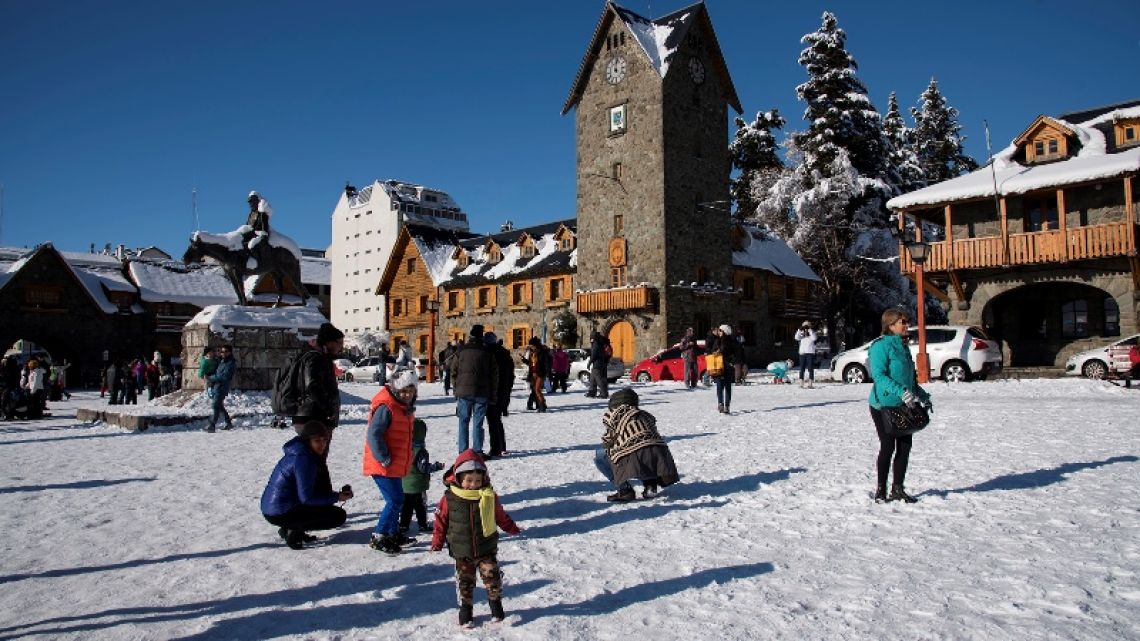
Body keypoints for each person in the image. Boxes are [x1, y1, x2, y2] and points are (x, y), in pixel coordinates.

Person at [430, 450, 521, 628]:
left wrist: (511, 528)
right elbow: (440, 521)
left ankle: (496, 607)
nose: (473, 485)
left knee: (492, 578)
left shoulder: (489, 496)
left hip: (486, 547)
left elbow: (500, 516)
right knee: (466, 582)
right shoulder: (449, 499)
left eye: (478, 481)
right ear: (458, 478)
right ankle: (466, 612)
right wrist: (437, 541)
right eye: (469, 481)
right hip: (462, 551)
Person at [867, 309, 932, 504]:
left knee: (905, 447)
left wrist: (922, 396)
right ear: (890, 324)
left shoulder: (902, 346)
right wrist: (900, 392)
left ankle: (898, 489)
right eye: (902, 322)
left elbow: (908, 380)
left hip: (905, 405)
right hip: (883, 404)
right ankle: (881, 490)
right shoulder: (880, 346)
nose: (906, 325)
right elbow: (879, 377)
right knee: (888, 447)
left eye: (906, 321)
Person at [260, 421, 353, 550]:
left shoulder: (301, 452)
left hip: (273, 508)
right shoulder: (304, 459)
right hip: (279, 511)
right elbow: (307, 498)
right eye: (317, 441)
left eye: (324, 440)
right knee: (338, 516)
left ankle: (292, 527)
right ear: (307, 440)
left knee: (324, 505)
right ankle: (293, 530)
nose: (322, 445)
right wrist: (337, 497)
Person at [363, 369, 419, 555]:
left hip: (393, 464)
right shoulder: (386, 407)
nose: (407, 394)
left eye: (411, 391)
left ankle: (392, 532)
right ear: (395, 389)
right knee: (394, 500)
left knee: (398, 499)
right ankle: (379, 535)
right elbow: (374, 434)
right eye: (403, 390)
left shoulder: (403, 407)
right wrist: (383, 457)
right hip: (382, 464)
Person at [595, 388, 679, 502]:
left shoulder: (615, 414)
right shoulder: (645, 414)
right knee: (646, 451)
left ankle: (624, 490)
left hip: (636, 454)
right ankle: (650, 484)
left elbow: (608, 440)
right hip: (661, 454)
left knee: (600, 455)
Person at [449, 325, 498, 454]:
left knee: (463, 421)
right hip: (482, 392)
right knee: (478, 422)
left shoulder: (460, 350)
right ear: (481, 336)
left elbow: (453, 371)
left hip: (464, 392)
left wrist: (456, 388)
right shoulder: (487, 352)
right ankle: (477, 450)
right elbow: (494, 375)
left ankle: (463, 450)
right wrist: (493, 394)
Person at [290, 322, 344, 434]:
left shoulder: (321, 358)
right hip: (313, 417)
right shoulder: (316, 359)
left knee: (312, 451)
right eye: (339, 342)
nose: (341, 346)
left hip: (314, 416)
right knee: (312, 451)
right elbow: (312, 387)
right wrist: (328, 409)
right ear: (329, 342)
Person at [399, 419, 445, 536]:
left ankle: (403, 525)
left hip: (405, 484)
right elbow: (423, 467)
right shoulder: (420, 451)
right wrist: (436, 466)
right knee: (420, 506)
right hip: (418, 485)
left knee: (406, 506)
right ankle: (422, 525)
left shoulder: (404, 448)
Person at [484, 333, 515, 458]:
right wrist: (508, 390)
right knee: (497, 419)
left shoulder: (488, 354)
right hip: (504, 390)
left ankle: (496, 448)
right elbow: (511, 375)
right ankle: (502, 446)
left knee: (493, 419)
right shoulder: (505, 354)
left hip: (493, 390)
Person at [710, 325, 741, 414]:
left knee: (727, 387)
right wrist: (715, 353)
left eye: (720, 330)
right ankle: (720, 404)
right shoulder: (717, 340)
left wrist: (732, 362)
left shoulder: (732, 341)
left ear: (724, 331)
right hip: (719, 366)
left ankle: (727, 406)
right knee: (719, 385)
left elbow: (737, 354)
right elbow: (712, 350)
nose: (718, 331)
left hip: (728, 367)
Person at [205, 345, 235, 432]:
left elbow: (223, 376)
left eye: (225, 351)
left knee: (215, 405)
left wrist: (211, 377)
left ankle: (212, 424)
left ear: (229, 352)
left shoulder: (230, 363)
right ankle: (228, 422)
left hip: (222, 387)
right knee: (219, 406)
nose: (223, 353)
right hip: (217, 386)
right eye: (222, 351)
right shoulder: (221, 361)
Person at [526, 337, 549, 412]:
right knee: (535, 390)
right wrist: (524, 360)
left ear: (536, 345)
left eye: (532, 345)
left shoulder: (542, 352)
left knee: (537, 389)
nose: (531, 347)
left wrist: (547, 372)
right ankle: (541, 404)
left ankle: (542, 405)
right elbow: (531, 364)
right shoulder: (531, 353)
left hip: (540, 373)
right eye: (530, 346)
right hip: (533, 373)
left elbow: (546, 363)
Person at [585, 330, 610, 399]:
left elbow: (594, 355)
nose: (590, 338)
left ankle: (604, 393)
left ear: (593, 337)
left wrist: (589, 363)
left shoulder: (596, 344)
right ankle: (592, 392)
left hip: (597, 365)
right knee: (592, 379)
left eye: (591, 337)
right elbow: (594, 353)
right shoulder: (598, 343)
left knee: (599, 380)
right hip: (599, 364)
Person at [795, 321, 818, 388]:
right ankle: (801, 383)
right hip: (802, 352)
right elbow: (796, 338)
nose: (806, 328)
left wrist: (810, 330)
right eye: (804, 326)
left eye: (807, 326)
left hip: (810, 352)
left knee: (810, 368)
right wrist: (799, 330)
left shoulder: (812, 332)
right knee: (802, 368)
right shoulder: (801, 333)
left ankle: (810, 383)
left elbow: (814, 338)